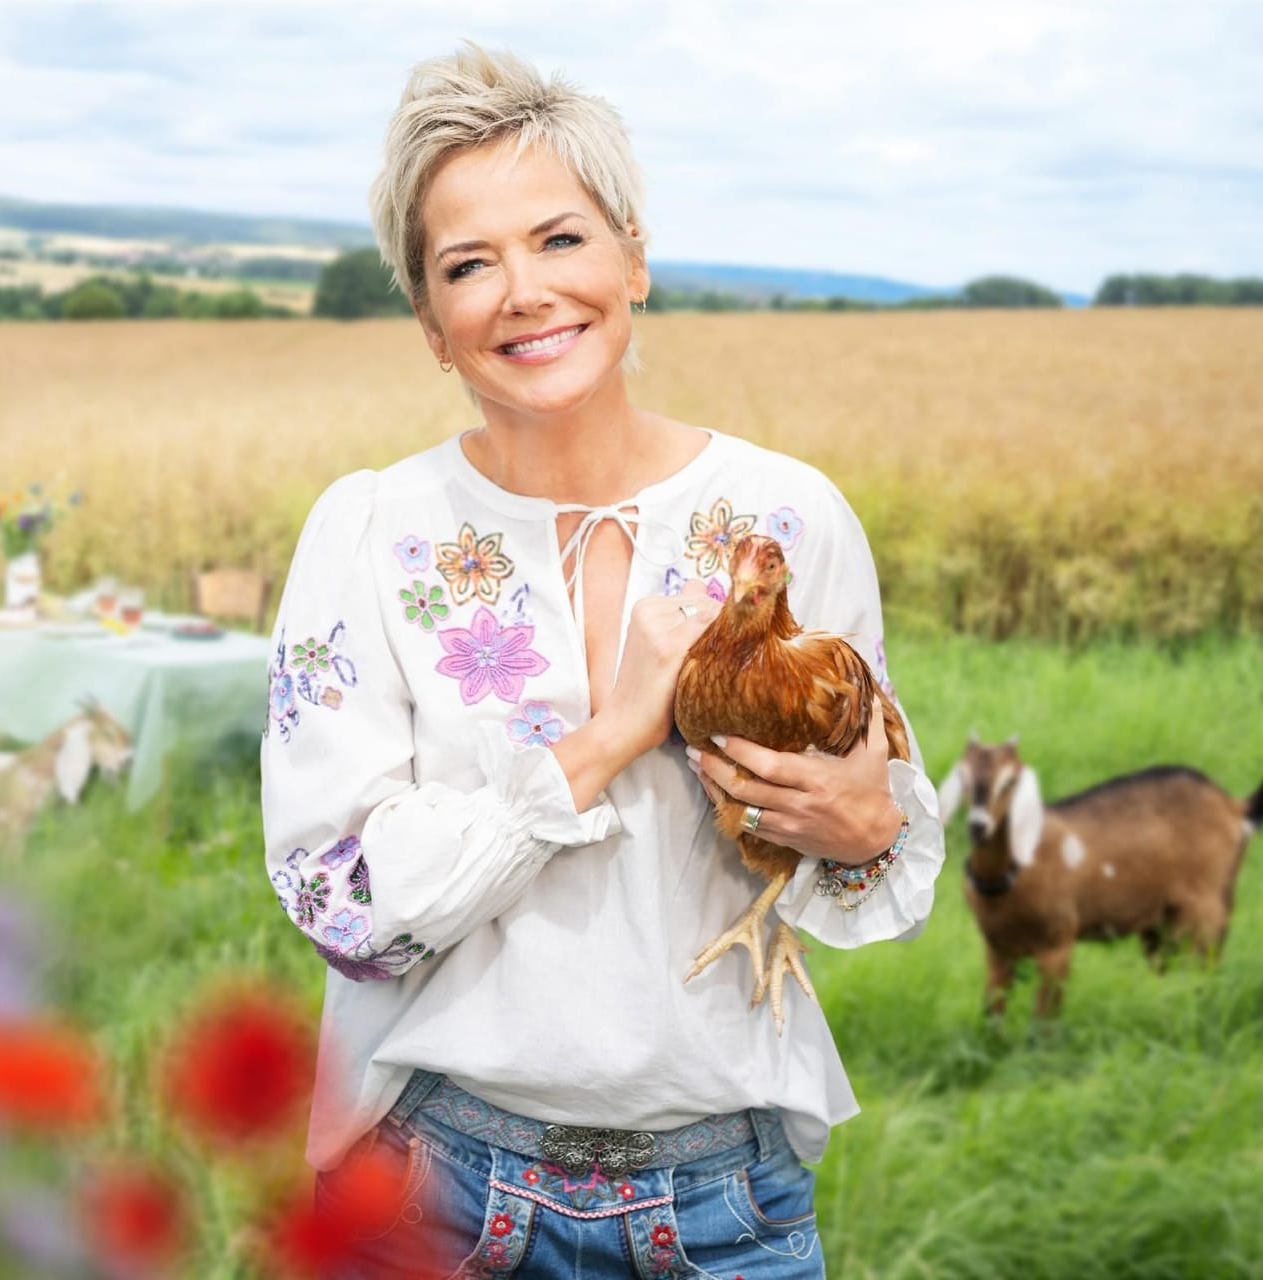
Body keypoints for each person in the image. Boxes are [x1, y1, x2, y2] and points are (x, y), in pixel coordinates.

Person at [259, 39, 947, 1278]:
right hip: (430, 1186)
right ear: (430, 320)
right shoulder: (369, 530)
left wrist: (869, 829)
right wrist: (614, 731)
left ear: (634, 256)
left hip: (731, 1200)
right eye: (469, 263)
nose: (523, 291)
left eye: (561, 238)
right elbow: (342, 902)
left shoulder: (788, 518)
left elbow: (872, 853)